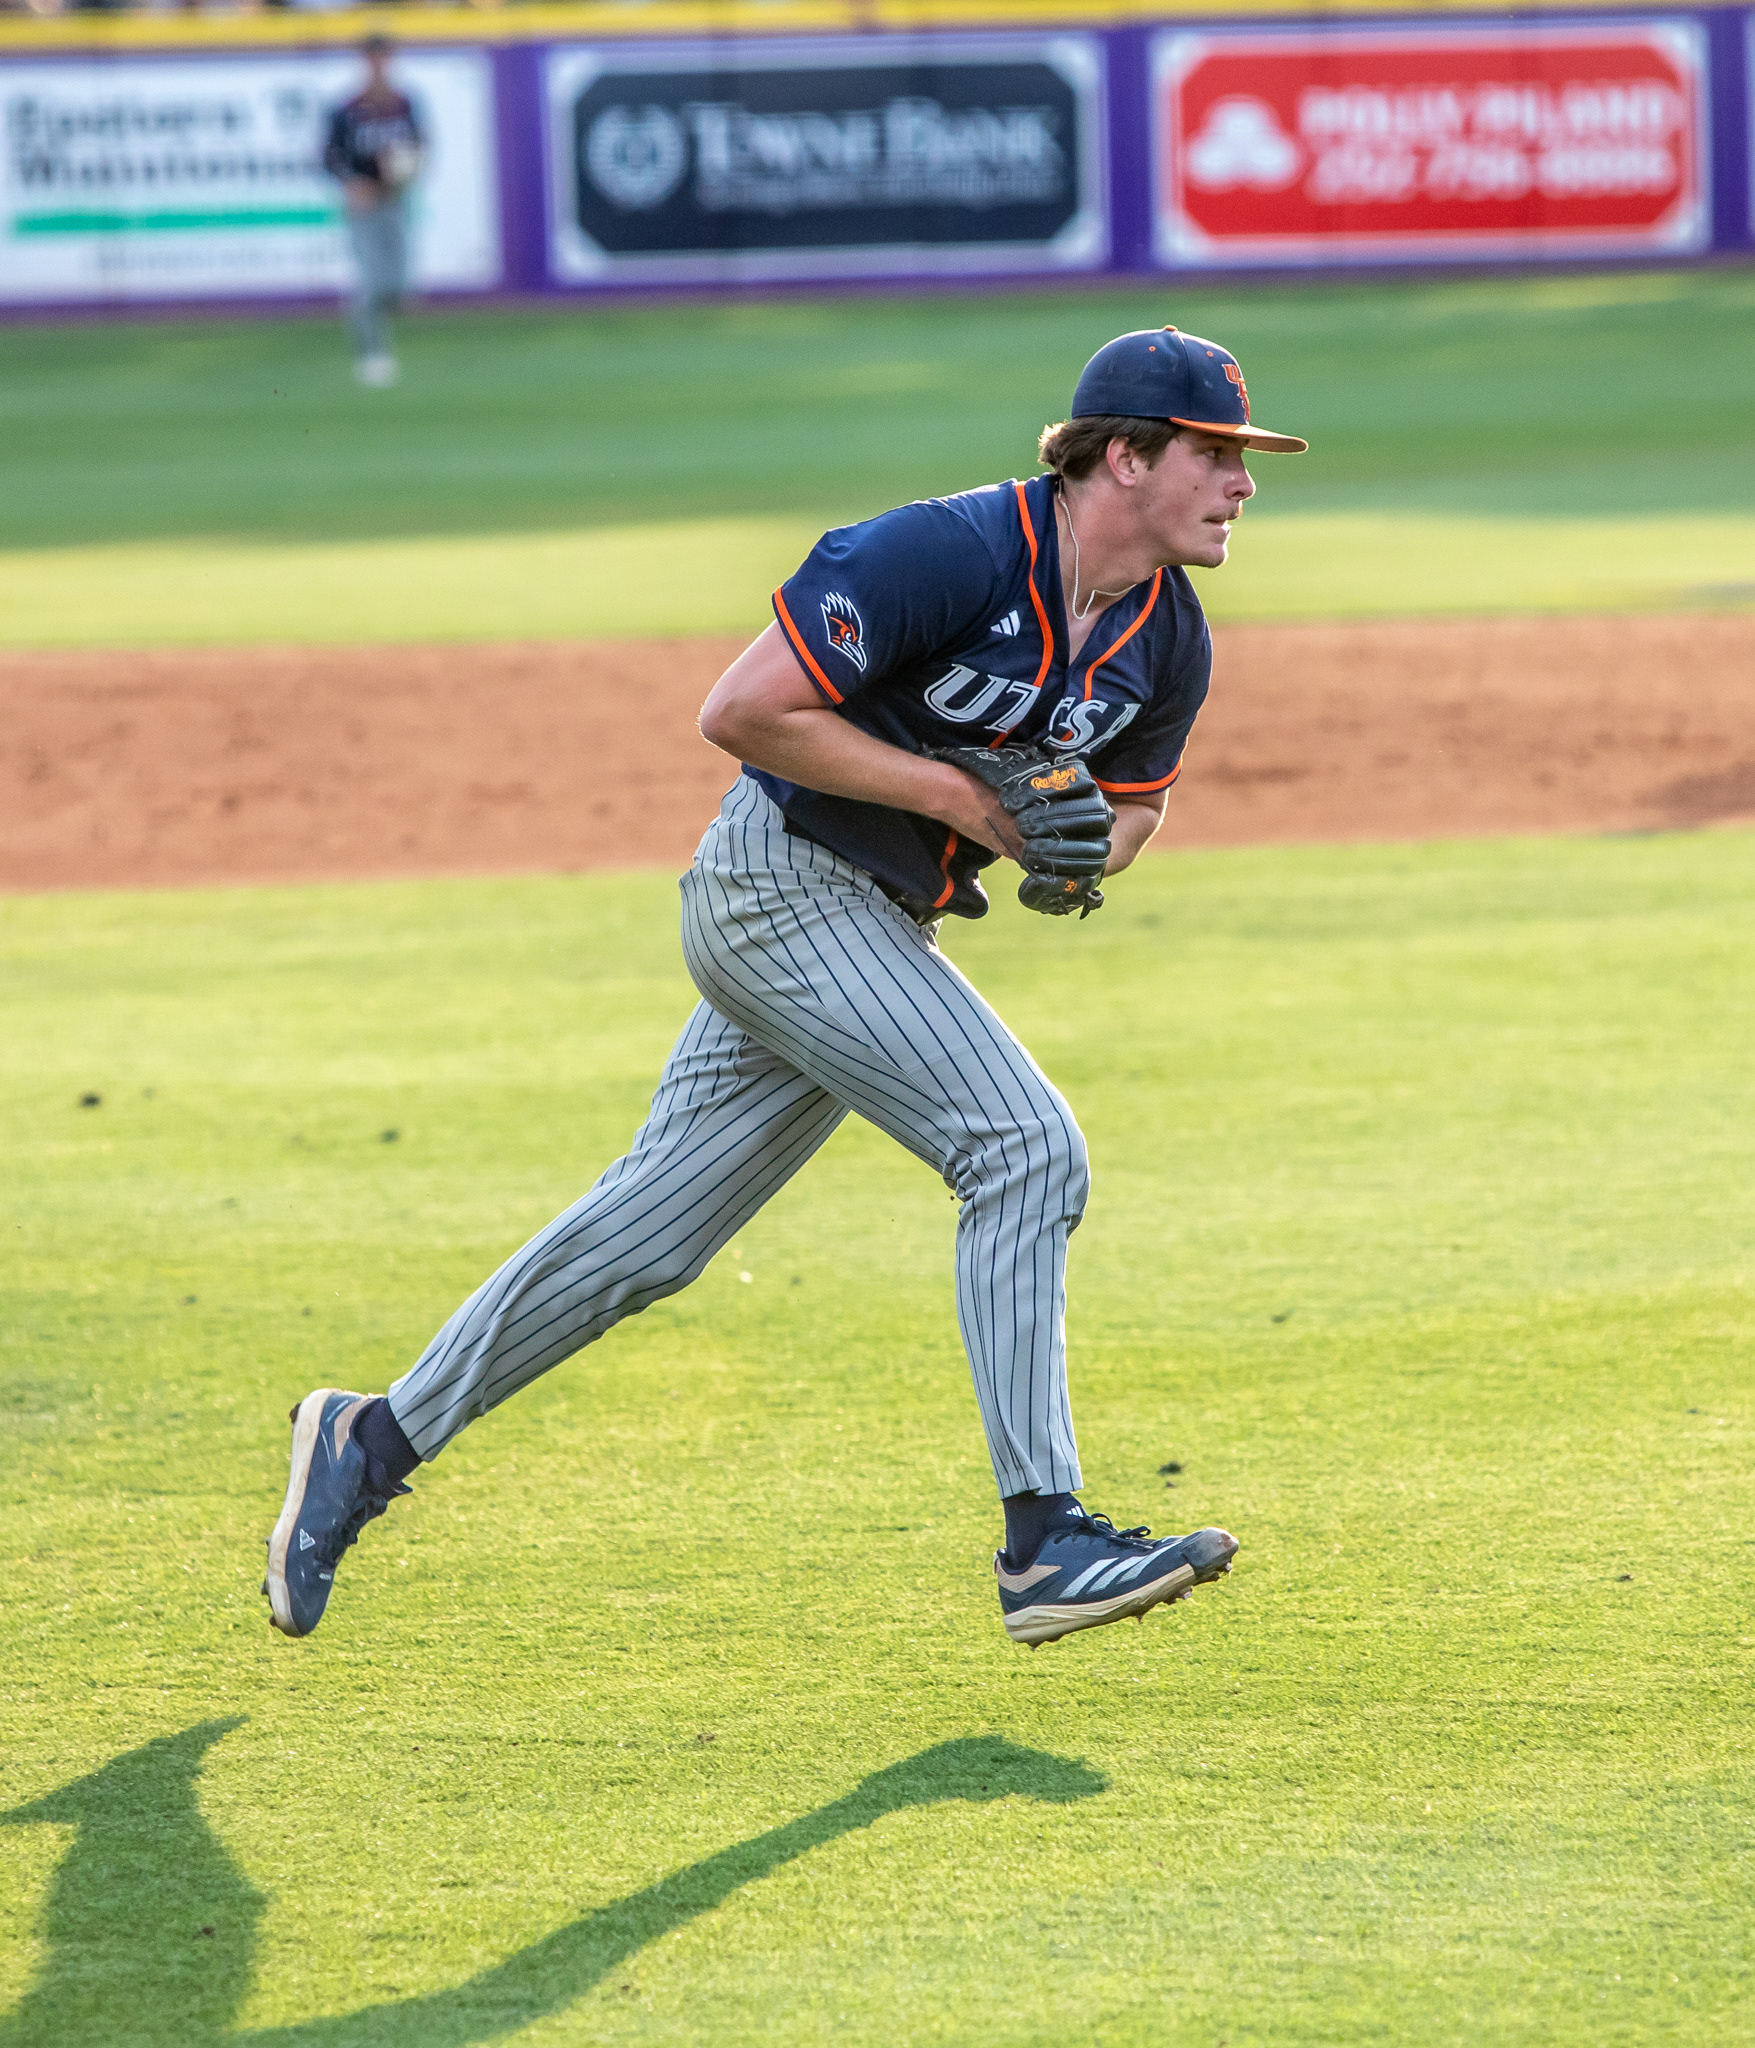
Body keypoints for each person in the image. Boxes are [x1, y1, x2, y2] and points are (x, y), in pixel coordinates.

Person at [262, 327, 1308, 1648]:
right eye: (1214, 452)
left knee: (648, 1239)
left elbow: (1134, 811)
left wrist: (1077, 853)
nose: (1242, 481)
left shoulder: (1167, 637)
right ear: (1124, 457)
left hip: (873, 926)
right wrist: (960, 798)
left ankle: (369, 1440)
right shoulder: (945, 553)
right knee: (1025, 1149)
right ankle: (1044, 1540)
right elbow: (743, 711)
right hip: (776, 886)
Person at [323, 34, 422, 389]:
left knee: (398, 282)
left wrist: (407, 173)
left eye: (384, 56)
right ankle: (372, 352)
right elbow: (330, 156)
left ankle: (378, 336)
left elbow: (419, 146)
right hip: (362, 203)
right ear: (364, 61)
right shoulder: (347, 109)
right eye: (373, 57)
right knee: (370, 281)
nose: (379, 63)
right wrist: (351, 183)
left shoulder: (403, 105)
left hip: (394, 199)